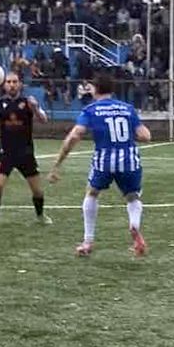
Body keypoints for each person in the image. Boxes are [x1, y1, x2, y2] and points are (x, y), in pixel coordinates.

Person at [47, 72, 152, 257]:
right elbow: (145, 136)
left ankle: (88, 242)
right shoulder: (127, 109)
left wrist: (58, 163)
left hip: (104, 160)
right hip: (128, 160)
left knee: (92, 193)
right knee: (132, 197)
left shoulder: (91, 110)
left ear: (95, 89)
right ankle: (134, 225)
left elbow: (75, 135)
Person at [0, 72, 51, 224]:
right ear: (4, 84)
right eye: (9, 82)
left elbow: (44, 120)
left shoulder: (28, 102)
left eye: (15, 82)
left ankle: (40, 215)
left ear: (20, 84)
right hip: (5, 152)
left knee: (38, 191)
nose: (12, 85)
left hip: (26, 153)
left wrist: (35, 108)